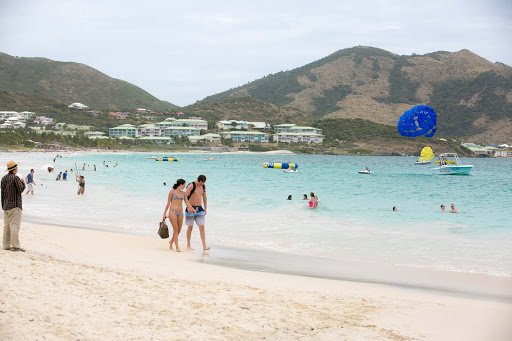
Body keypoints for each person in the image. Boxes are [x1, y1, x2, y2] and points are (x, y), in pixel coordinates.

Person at [2, 160, 26, 252]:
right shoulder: (15, 178)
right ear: (15, 169)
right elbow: (20, 189)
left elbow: (2, 193)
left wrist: (3, 204)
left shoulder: (4, 178)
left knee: (6, 226)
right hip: (15, 205)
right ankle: (15, 246)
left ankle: (6, 245)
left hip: (6, 205)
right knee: (15, 226)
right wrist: (23, 183)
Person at [163, 179, 189, 252]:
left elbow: (187, 202)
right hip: (172, 212)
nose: (184, 186)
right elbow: (168, 203)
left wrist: (192, 208)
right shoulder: (172, 192)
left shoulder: (184, 193)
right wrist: (164, 213)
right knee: (176, 229)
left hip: (180, 212)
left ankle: (171, 242)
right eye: (184, 185)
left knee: (179, 230)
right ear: (181, 185)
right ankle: (177, 246)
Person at [184, 175, 209, 251]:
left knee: (202, 227)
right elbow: (185, 197)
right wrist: (188, 207)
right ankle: (188, 245)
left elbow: (204, 196)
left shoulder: (203, 186)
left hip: (200, 209)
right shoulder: (191, 185)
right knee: (190, 227)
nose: (201, 184)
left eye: (203, 183)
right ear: (198, 180)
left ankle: (204, 246)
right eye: (201, 183)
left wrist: (205, 207)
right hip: (190, 208)